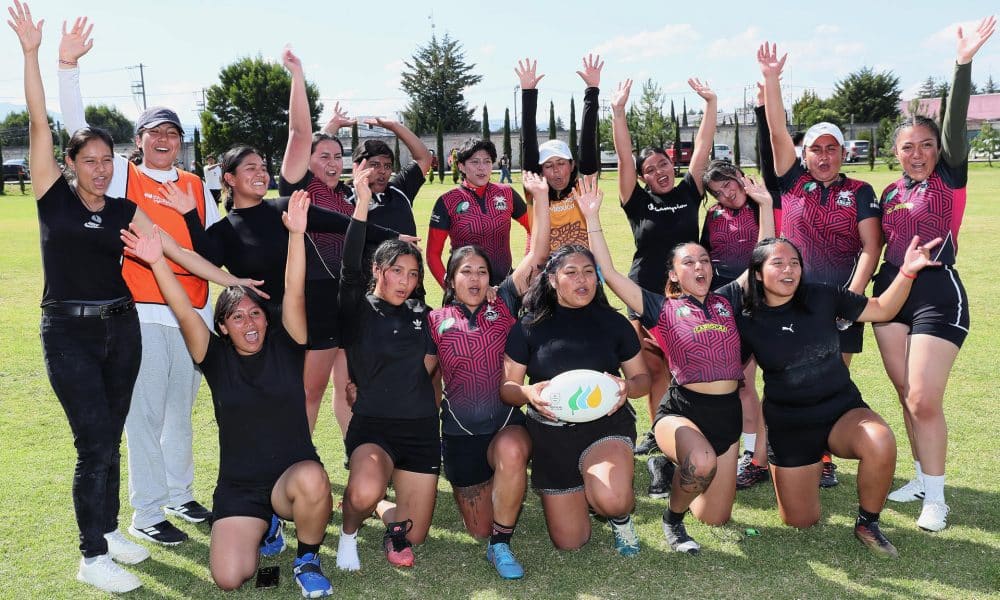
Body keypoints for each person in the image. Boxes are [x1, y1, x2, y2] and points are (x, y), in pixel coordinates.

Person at [11, 6, 257, 591]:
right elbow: (42, 127)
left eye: (104, 161)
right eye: (88, 162)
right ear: (69, 165)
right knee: (94, 441)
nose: (99, 170)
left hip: (120, 329)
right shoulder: (54, 199)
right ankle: (91, 554)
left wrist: (233, 283)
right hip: (69, 332)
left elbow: (178, 251)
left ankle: (112, 533)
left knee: (115, 429)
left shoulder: (124, 209)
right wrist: (35, 55)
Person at [122, 190, 336, 597]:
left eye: (255, 313)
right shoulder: (214, 356)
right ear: (222, 326)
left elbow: (293, 291)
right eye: (237, 317)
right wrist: (156, 261)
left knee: (312, 479)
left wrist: (296, 235)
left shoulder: (288, 345)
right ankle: (266, 527)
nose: (249, 322)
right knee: (229, 577)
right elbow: (185, 310)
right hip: (240, 487)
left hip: (291, 479)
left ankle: (306, 556)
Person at [59, 17, 223, 546]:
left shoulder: (197, 184)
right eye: (155, 132)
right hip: (146, 310)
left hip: (194, 311)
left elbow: (215, 246)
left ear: (181, 142)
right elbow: (78, 134)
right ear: (140, 140)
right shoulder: (125, 177)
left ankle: (179, 494)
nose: (164, 141)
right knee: (144, 415)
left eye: (173, 133)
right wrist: (68, 69)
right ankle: (146, 511)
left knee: (181, 411)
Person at [714, 234, 944, 557]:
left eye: (794, 263)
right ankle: (803, 473)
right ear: (756, 273)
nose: (788, 270)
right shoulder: (747, 318)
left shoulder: (822, 296)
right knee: (800, 521)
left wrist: (907, 271)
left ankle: (868, 523)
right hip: (790, 425)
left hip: (840, 411)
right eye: (777, 263)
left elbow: (881, 308)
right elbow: (723, 369)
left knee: (880, 440)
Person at [582, 173, 773, 553]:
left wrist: (765, 205)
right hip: (682, 410)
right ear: (673, 274)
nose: (699, 267)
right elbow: (613, 273)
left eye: (704, 260)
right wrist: (592, 219)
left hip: (727, 416)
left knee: (714, 516)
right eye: (689, 262)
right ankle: (673, 520)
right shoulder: (661, 308)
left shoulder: (728, 300)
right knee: (700, 462)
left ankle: (671, 471)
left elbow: (759, 261)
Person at [876, 16, 994, 532]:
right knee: (907, 395)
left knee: (924, 397)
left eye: (926, 145)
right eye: (908, 147)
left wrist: (962, 64)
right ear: (895, 153)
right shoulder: (889, 193)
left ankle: (937, 499)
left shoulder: (950, 176)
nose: (918, 153)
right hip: (891, 294)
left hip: (937, 294)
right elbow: (871, 248)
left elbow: (955, 122)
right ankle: (922, 476)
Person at [501, 180, 651, 557]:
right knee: (570, 543)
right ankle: (585, 486)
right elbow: (508, 388)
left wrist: (624, 388)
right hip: (551, 437)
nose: (582, 279)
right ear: (552, 281)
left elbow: (644, 380)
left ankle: (619, 516)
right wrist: (528, 393)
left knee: (614, 499)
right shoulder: (529, 325)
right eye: (571, 272)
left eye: (588, 272)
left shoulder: (613, 322)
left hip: (606, 428)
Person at [759, 42, 883, 488]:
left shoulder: (862, 190)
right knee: (785, 376)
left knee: (834, 379)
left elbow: (871, 247)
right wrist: (772, 81)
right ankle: (777, 454)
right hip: (788, 302)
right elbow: (776, 132)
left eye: (832, 149)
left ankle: (824, 455)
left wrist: (848, 299)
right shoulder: (792, 183)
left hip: (839, 303)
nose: (824, 156)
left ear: (842, 153)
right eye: (816, 149)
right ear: (805, 153)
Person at [428, 171, 550, 579]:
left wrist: (541, 198)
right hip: (460, 433)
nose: (476, 278)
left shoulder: (505, 303)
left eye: (481, 271)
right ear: (450, 279)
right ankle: (494, 515)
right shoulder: (434, 320)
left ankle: (503, 543)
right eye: (466, 272)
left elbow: (537, 255)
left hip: (505, 423)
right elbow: (425, 376)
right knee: (477, 529)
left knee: (513, 453)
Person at [335, 164, 439, 571]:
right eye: (396, 271)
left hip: (420, 432)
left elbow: (430, 364)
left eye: (413, 275)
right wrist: (361, 207)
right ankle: (348, 535)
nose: (405, 281)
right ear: (377, 271)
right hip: (373, 427)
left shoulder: (423, 313)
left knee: (414, 534)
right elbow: (347, 269)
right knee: (361, 490)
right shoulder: (357, 308)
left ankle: (383, 507)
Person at [608, 77, 717, 459]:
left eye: (664, 164)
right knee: (654, 372)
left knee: (686, 368)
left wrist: (710, 103)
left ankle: (689, 426)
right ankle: (657, 432)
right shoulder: (636, 201)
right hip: (645, 295)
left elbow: (703, 146)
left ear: (674, 163)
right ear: (642, 177)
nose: (660, 172)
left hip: (687, 295)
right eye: (651, 169)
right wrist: (618, 113)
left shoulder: (690, 191)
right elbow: (624, 157)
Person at [516, 55, 600, 251]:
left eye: (561, 163)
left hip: (581, 270)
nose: (555, 171)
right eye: (548, 165)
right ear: (541, 171)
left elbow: (587, 141)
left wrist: (592, 92)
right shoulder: (536, 193)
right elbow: (528, 143)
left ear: (572, 166)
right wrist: (528, 94)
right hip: (545, 274)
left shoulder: (584, 191)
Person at [427, 137, 530, 289]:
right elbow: (432, 255)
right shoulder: (447, 201)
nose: (482, 168)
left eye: (487, 161)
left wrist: (527, 264)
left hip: (505, 289)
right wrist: (450, 288)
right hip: (466, 292)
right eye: (475, 162)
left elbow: (535, 228)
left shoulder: (506, 193)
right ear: (461, 166)